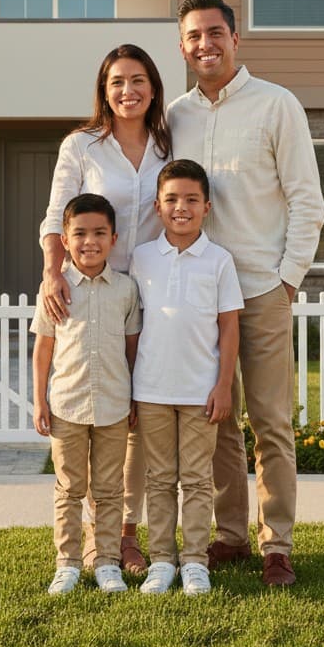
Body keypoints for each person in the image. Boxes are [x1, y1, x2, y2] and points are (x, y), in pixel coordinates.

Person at [167, 0, 324, 588]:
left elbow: (309, 202)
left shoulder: (276, 106)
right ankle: (230, 536)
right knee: (215, 421)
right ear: (182, 48)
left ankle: (277, 544)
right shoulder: (175, 115)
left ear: (236, 39)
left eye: (214, 32)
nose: (204, 44)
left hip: (261, 289)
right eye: (192, 37)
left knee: (271, 423)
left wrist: (287, 281)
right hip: (198, 292)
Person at [39, 43, 170, 572]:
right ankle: (99, 536)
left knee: (135, 409)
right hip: (95, 287)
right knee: (95, 407)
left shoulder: (169, 142)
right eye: (117, 81)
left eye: (137, 80)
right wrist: (53, 273)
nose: (127, 91)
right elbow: (55, 217)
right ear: (104, 89)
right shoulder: (82, 146)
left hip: (157, 289)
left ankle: (126, 531)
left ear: (154, 87)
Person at [129, 159, 242, 596]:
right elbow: (133, 325)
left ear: (206, 207)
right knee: (159, 479)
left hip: (201, 392)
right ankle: (161, 560)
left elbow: (229, 326)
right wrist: (132, 389)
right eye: (172, 199)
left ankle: (195, 561)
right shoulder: (142, 259)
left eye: (191, 200)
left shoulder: (218, 261)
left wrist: (223, 384)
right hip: (152, 389)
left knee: (196, 479)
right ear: (157, 207)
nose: (182, 208)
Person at [31, 193, 141, 595]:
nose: (89, 241)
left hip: (114, 406)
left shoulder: (126, 290)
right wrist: (39, 400)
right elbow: (43, 348)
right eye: (79, 234)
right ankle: (68, 564)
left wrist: (133, 399)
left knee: (111, 490)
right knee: (69, 489)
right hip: (67, 406)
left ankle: (107, 561)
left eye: (99, 233)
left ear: (113, 238)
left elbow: (133, 348)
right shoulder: (54, 289)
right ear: (65, 238)